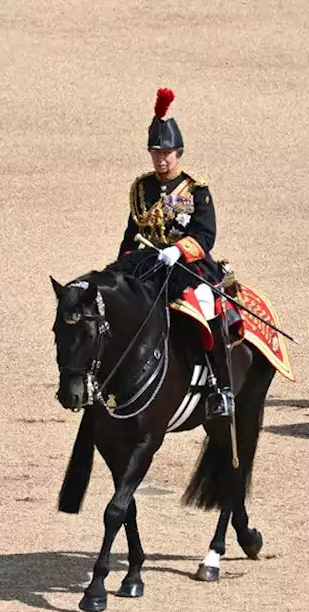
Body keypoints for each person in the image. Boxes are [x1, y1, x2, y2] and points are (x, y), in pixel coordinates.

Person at [118, 88, 232, 418]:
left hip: (187, 265)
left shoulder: (196, 189)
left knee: (206, 304)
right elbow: (132, 234)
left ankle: (222, 388)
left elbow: (205, 235)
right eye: (155, 152)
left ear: (178, 152)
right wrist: (122, 266)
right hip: (149, 263)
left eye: (167, 152)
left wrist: (178, 250)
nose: (161, 158)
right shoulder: (142, 188)